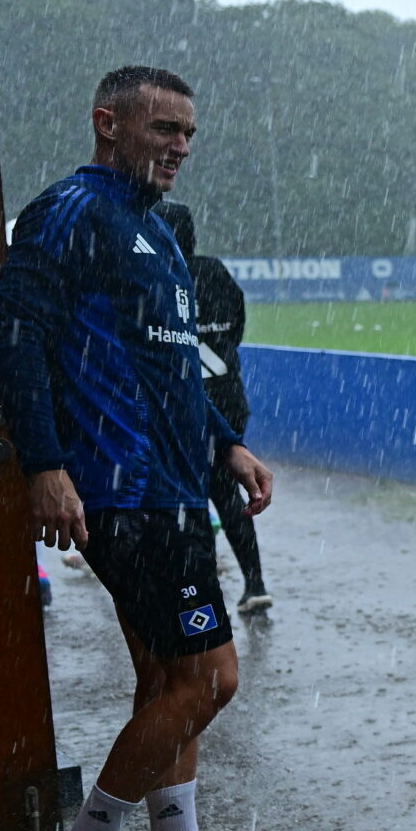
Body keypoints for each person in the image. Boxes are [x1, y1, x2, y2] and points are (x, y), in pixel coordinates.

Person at [0, 65, 289, 831]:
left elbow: (171, 371)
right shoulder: (69, 213)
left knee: (166, 680)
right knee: (209, 680)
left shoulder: (155, 233)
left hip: (174, 487)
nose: (180, 148)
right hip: (124, 495)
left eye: (189, 134)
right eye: (164, 130)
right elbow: (14, 337)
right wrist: (45, 466)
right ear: (107, 122)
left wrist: (225, 443)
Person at [155, 199, 272, 615]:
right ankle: (254, 582)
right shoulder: (215, 272)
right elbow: (237, 325)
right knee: (228, 493)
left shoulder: (158, 275)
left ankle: (204, 596)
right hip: (229, 399)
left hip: (185, 407)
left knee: (188, 502)